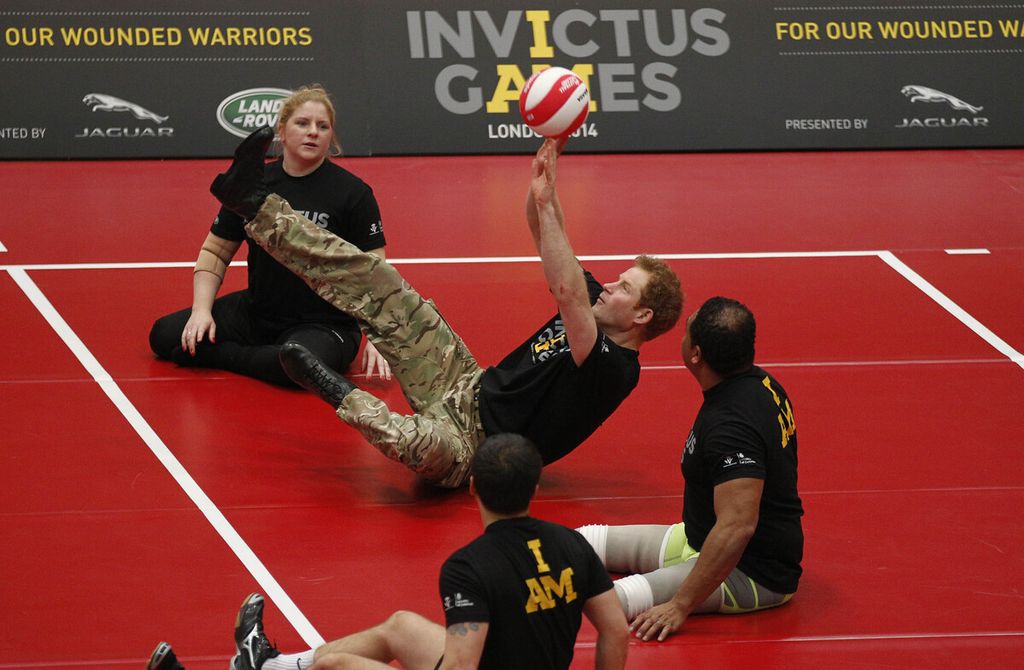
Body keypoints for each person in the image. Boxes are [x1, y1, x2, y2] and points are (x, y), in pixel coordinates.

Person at [206, 129, 683, 488]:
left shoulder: (614, 367)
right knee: (381, 284)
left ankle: (330, 387)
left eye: (623, 288)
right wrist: (546, 179)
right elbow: (540, 231)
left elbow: (567, 292)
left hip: (472, 452)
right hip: (462, 380)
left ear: (642, 318)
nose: (608, 288)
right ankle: (254, 204)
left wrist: (547, 201)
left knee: (413, 443)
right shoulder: (595, 306)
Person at [146, 433, 629, 670]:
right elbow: (614, 632)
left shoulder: (470, 568)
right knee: (400, 625)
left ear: (473, 487)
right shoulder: (573, 545)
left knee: (335, 668)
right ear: (536, 487)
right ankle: (263, 666)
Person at [576, 297, 804, 641]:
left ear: (696, 354)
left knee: (613, 602)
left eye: (685, 333)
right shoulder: (760, 383)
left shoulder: (731, 427)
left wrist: (680, 604)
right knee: (579, 542)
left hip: (748, 570)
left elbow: (737, 527)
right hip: (696, 539)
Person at [149, 85, 391, 387]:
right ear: (282, 130)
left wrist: (381, 338)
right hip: (257, 312)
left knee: (300, 366)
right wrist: (201, 311)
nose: (313, 132)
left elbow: (377, 272)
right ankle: (262, 353)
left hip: (325, 323)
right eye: (302, 123)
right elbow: (216, 252)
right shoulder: (253, 185)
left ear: (331, 136)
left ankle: (216, 356)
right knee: (163, 335)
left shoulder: (353, 194)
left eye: (322, 126)